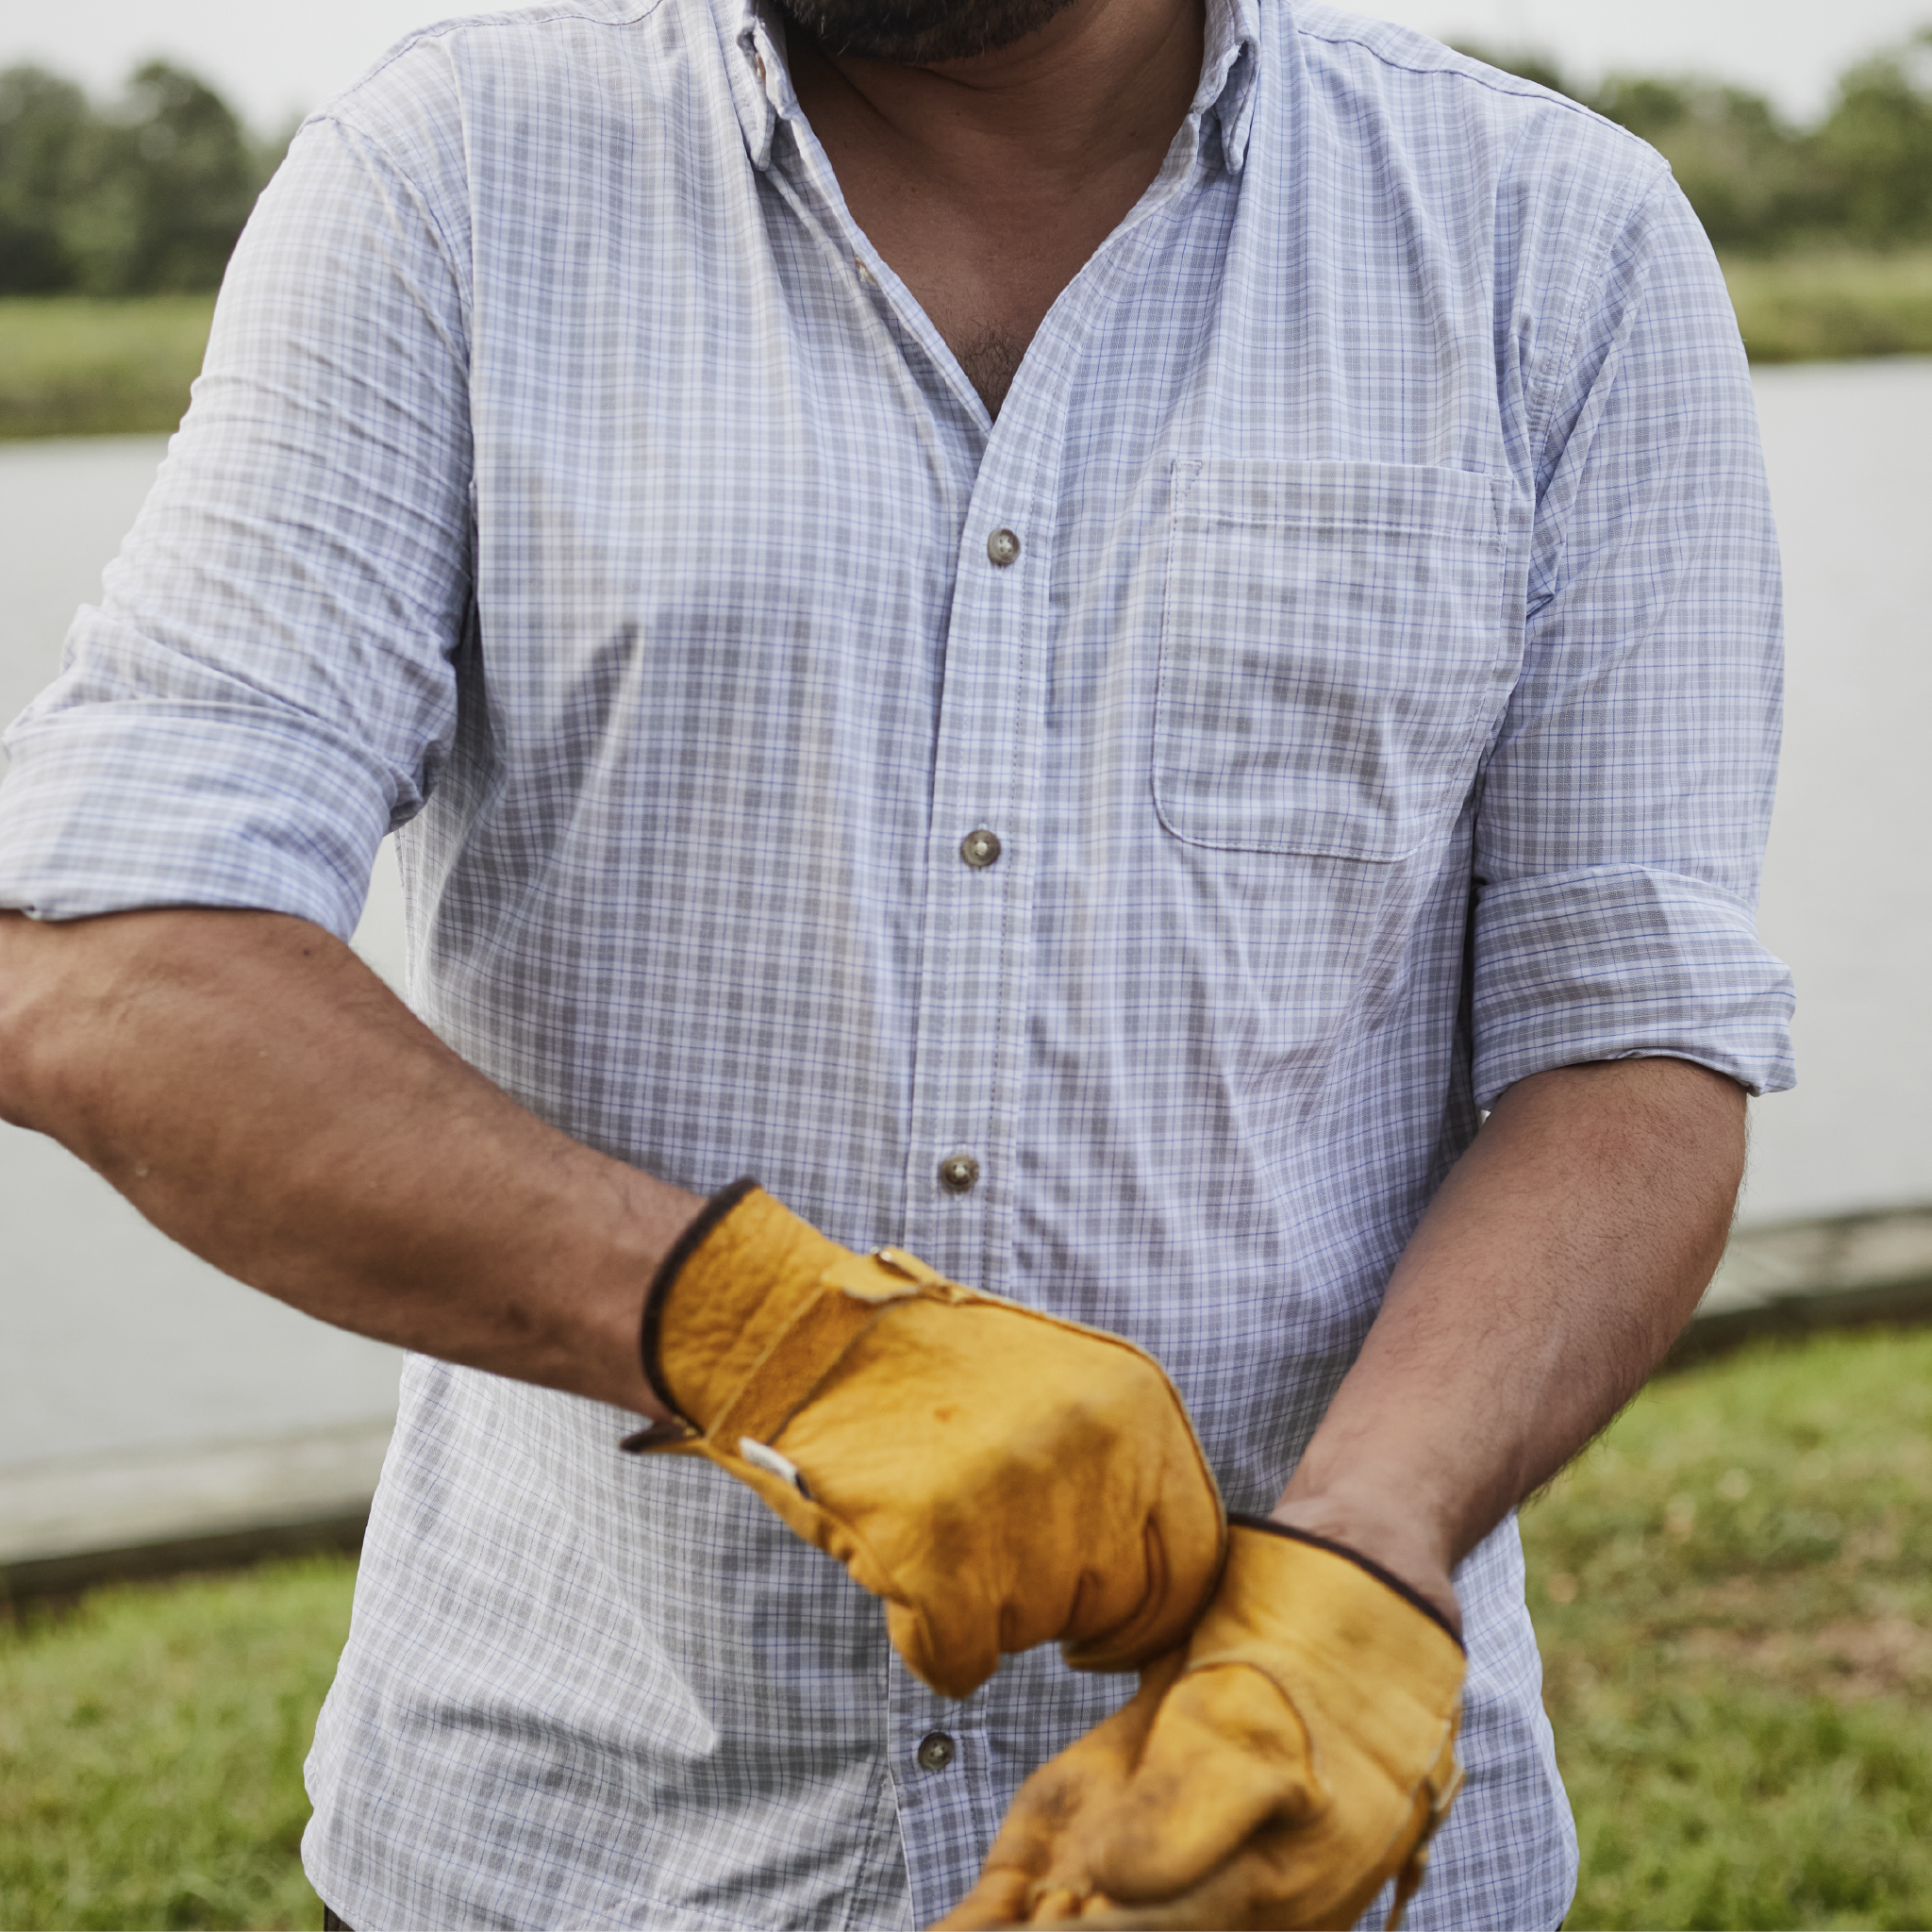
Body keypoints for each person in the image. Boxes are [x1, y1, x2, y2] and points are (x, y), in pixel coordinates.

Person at [0, 0, 1793, 1920]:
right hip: (581, 1843)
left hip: (1313, 1845)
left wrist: (1367, 1552)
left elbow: (1626, 1049)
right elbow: (99, 957)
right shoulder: (444, 177)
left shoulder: (1553, 238)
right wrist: (759, 1332)